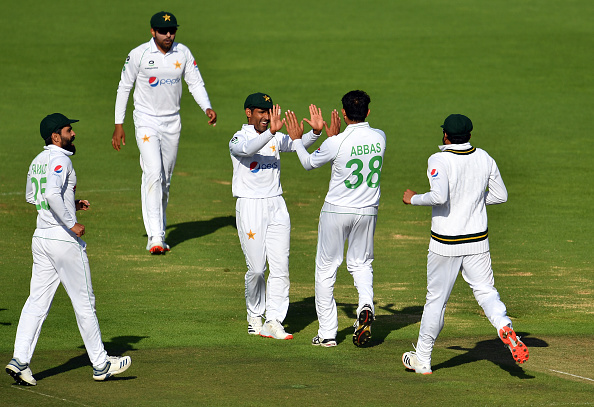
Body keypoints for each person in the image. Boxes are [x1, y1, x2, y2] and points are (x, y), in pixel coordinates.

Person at [6, 113, 131, 386]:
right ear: (55, 136)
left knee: (36, 303)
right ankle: (100, 363)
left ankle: (20, 360)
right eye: (68, 130)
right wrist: (71, 222)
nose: (73, 134)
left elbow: (33, 196)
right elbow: (51, 194)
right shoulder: (61, 159)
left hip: (41, 238)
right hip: (63, 241)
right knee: (85, 302)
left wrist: (70, 202)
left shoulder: (38, 161)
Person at [401, 114, 529, 374]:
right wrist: (473, 201)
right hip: (477, 241)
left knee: (436, 301)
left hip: (445, 243)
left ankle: (422, 360)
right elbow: (500, 195)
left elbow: (439, 196)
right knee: (486, 292)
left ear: (445, 136)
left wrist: (413, 199)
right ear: (470, 135)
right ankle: (504, 326)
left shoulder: (438, 159)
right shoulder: (484, 157)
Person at [284, 90, 386, 347]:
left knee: (326, 269)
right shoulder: (380, 137)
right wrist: (334, 136)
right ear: (368, 112)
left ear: (342, 113)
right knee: (361, 264)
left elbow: (308, 163)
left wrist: (297, 140)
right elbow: (347, 154)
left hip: (336, 211)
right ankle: (365, 305)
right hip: (367, 210)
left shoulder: (336, 142)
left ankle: (328, 333)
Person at [112, 11, 217, 254]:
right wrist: (119, 124)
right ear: (153, 32)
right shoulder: (139, 54)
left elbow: (195, 82)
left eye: (172, 31)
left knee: (165, 180)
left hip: (172, 122)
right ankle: (156, 237)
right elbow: (124, 87)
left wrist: (207, 107)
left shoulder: (183, 53)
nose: (168, 35)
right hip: (146, 121)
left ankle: (159, 226)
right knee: (153, 174)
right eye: (163, 31)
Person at [229, 93, 323, 339]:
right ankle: (254, 313)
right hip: (250, 206)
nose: (266, 116)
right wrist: (271, 133)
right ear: (249, 112)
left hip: (276, 205)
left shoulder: (274, 134)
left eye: (269, 111)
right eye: (261, 111)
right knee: (258, 269)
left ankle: (274, 320)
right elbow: (248, 150)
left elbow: (295, 143)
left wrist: (314, 133)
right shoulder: (239, 138)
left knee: (280, 267)